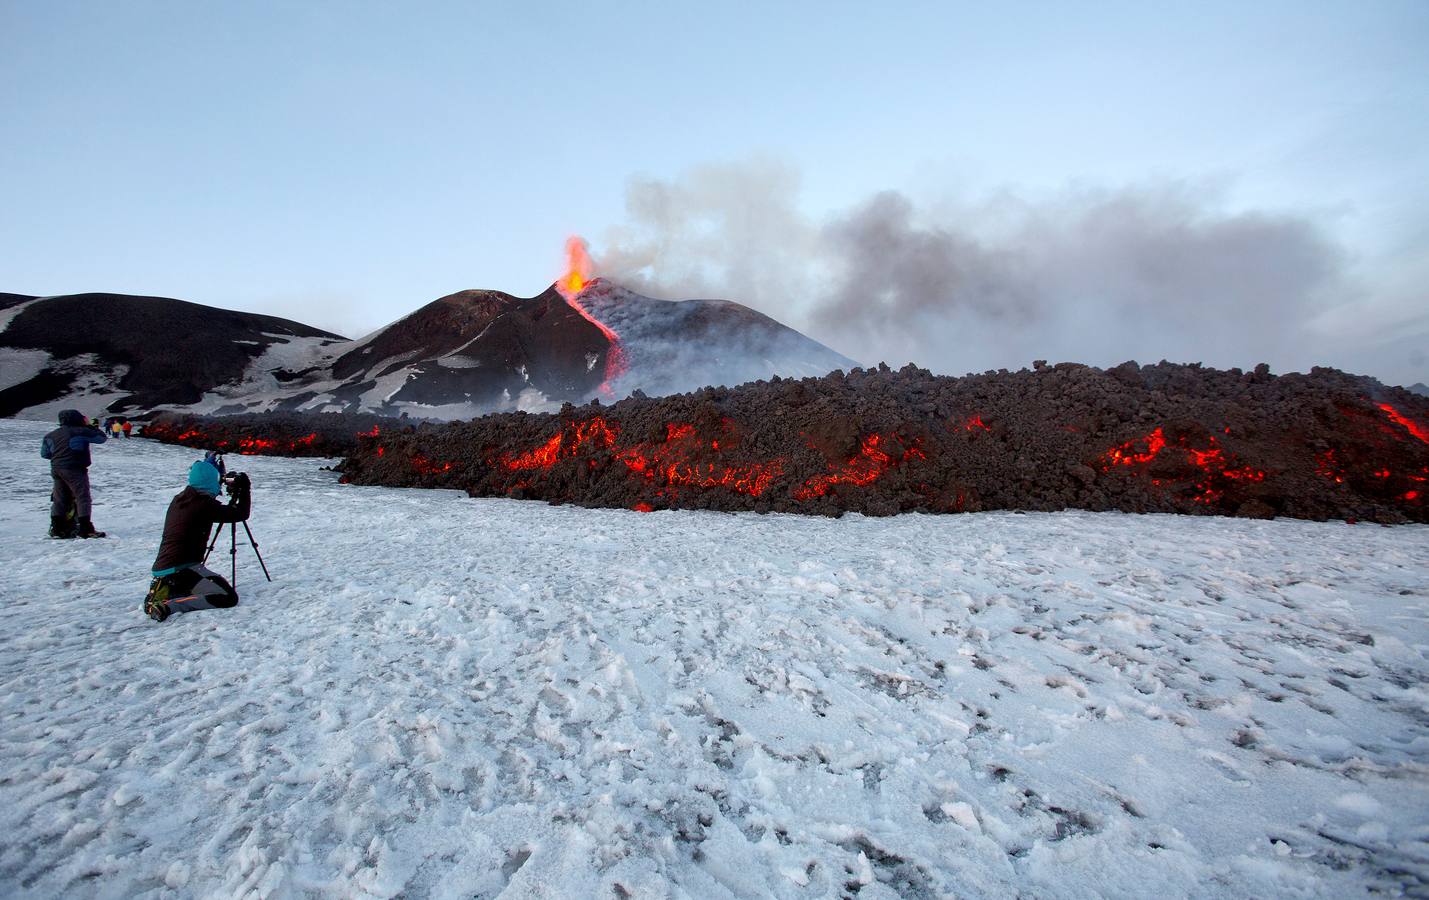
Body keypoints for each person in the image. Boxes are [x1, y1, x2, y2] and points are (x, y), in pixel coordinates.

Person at [143, 457, 251, 622]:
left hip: (165, 567)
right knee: (227, 596)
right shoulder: (203, 505)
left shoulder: (181, 499)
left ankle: (168, 588)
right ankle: (168, 604)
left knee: (215, 582)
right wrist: (245, 490)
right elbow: (240, 514)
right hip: (182, 569)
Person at [40, 409, 107, 538]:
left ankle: (57, 529)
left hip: (56, 468)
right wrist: (88, 425)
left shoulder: (50, 435)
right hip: (75, 469)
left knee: (59, 499)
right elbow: (101, 438)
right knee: (82, 497)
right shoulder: (80, 431)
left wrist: (60, 457)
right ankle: (85, 529)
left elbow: (45, 454)